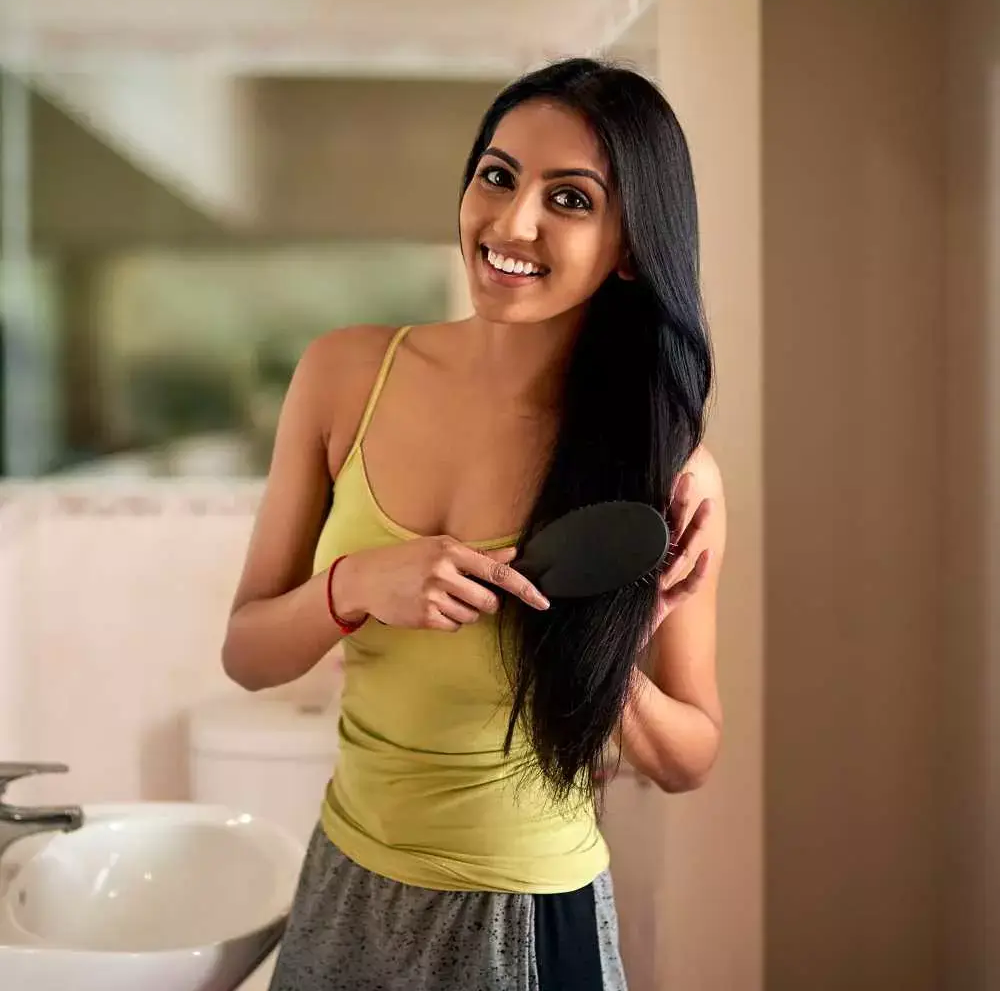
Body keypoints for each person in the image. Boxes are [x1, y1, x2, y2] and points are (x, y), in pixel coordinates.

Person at [222, 56, 727, 991]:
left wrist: (600, 661)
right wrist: (355, 587)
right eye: (498, 176)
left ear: (629, 245)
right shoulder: (344, 375)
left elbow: (692, 756)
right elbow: (248, 656)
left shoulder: (659, 469)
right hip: (345, 881)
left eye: (569, 200)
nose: (512, 223)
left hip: (525, 915)